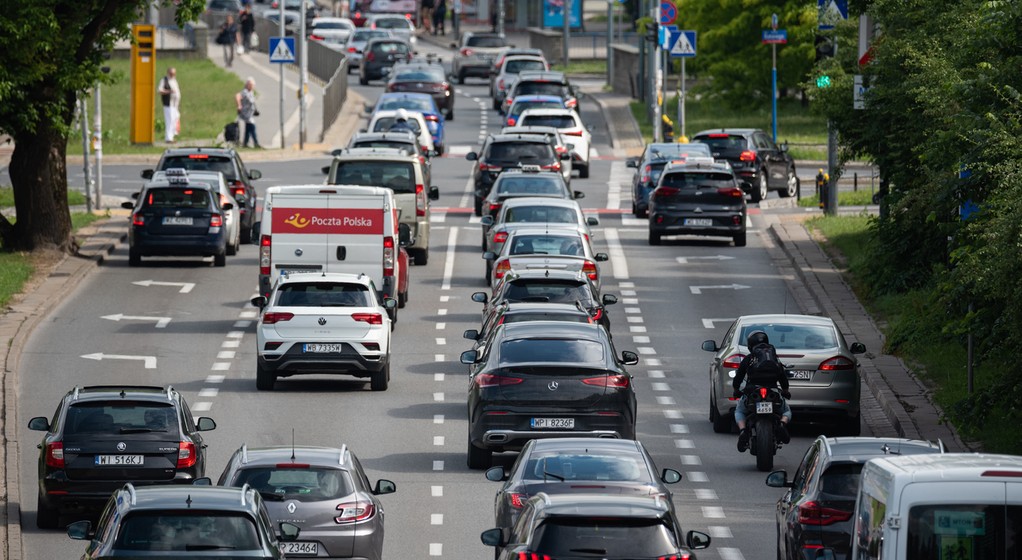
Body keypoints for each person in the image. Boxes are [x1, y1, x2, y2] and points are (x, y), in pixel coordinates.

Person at [732, 331, 792, 452]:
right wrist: (785, 391)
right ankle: (781, 424)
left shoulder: (749, 358)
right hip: (773, 393)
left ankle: (743, 430)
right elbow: (783, 377)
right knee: (786, 411)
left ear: (750, 345)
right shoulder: (774, 358)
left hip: (753, 392)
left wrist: (736, 390)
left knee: (739, 411)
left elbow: (738, 377)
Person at [236, 78, 261, 148]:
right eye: (252, 85)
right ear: (248, 85)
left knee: (248, 129)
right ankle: (256, 143)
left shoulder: (251, 92)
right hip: (245, 114)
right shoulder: (245, 92)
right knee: (252, 127)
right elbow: (237, 96)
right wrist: (239, 105)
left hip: (250, 114)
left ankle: (245, 143)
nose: (253, 87)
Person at [158, 67, 181, 144]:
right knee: (169, 120)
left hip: (175, 104)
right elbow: (160, 90)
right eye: (171, 73)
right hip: (168, 104)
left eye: (174, 73)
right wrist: (169, 91)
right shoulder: (164, 80)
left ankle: (172, 136)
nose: (173, 75)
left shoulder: (174, 80)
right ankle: (168, 138)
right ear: (168, 73)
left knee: (174, 119)